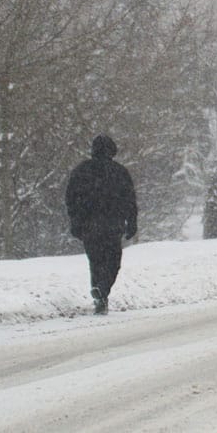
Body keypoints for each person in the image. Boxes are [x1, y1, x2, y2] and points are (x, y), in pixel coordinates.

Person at [65, 134, 138, 315]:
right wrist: (131, 222)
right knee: (113, 262)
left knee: (95, 261)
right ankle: (102, 290)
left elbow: (71, 199)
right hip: (113, 225)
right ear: (112, 151)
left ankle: (99, 294)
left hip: (89, 225)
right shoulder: (119, 172)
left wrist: (75, 221)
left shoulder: (81, 171)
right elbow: (130, 200)